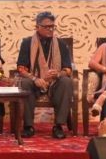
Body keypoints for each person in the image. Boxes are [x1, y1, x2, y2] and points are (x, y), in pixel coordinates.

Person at [16, 11, 74, 139]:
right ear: (37, 27)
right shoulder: (27, 43)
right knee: (25, 83)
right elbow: (21, 68)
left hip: (54, 82)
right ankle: (28, 126)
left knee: (66, 81)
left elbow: (68, 69)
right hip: (34, 82)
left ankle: (58, 126)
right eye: (46, 27)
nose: (50, 29)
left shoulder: (61, 44)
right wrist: (34, 78)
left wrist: (59, 74)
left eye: (52, 26)